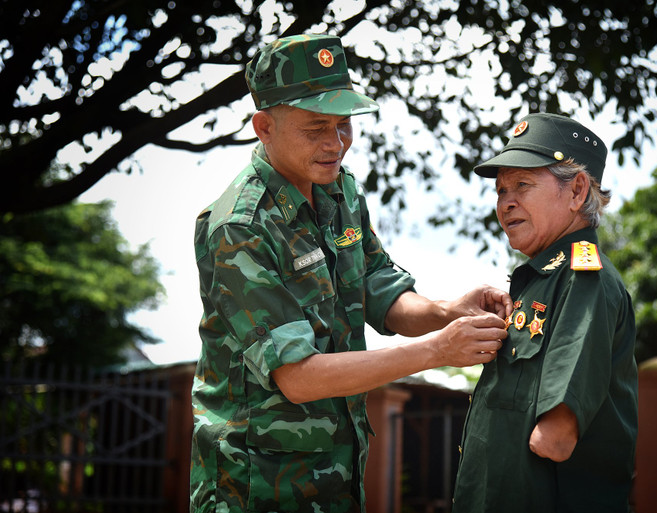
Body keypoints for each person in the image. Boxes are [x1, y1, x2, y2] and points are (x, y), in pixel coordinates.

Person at [189, 34, 512, 513]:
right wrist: (437, 350)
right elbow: (297, 377)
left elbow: (377, 288)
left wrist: (446, 312)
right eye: (316, 127)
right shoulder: (239, 227)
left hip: (339, 471)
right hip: (256, 484)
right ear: (264, 127)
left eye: (343, 125)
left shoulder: (340, 192)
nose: (335, 144)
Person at [452, 113, 638, 512]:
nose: (506, 202)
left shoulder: (582, 277)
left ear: (577, 191)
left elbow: (553, 438)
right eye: (501, 190)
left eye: (523, 184)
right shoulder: (541, 280)